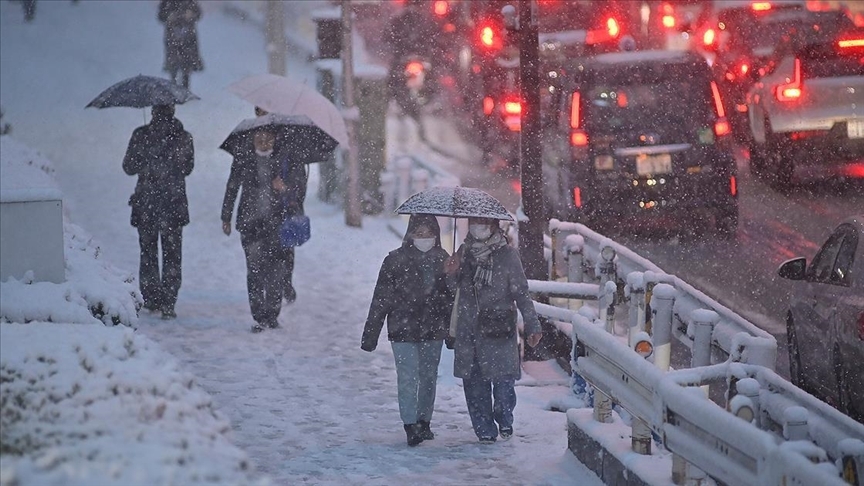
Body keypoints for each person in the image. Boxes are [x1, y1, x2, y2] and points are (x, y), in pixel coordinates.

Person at [444, 217, 543, 444]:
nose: (479, 228)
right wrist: (451, 273)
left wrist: (532, 325)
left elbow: (521, 293)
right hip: (469, 330)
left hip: (499, 329)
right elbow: (453, 292)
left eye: (484, 223)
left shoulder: (508, 255)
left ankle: (504, 417)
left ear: (494, 226)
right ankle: (485, 430)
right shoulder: (464, 252)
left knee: (503, 385)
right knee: (475, 386)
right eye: (475, 223)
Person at [361, 214, 453, 447]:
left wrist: (453, 274)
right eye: (419, 233)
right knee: (408, 377)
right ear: (410, 234)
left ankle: (424, 420)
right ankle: (410, 424)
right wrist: (370, 335)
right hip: (403, 328)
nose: (424, 238)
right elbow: (380, 299)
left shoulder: (444, 259)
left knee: (428, 377)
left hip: (433, 328)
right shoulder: (394, 260)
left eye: (429, 234)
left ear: (436, 235)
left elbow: (453, 299)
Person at [122, 104, 194, 320]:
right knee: (172, 254)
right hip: (173, 203)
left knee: (148, 253)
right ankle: (169, 301)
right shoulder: (184, 137)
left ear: (152, 112)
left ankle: (151, 297)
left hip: (147, 202)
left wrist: (145, 158)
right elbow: (187, 168)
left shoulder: (141, 135)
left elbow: (128, 167)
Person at [221, 128, 288, 333]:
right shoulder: (243, 158)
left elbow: (298, 188)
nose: (263, 142)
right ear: (252, 138)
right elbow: (232, 186)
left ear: (275, 139)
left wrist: (285, 187)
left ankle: (273, 313)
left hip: (276, 223)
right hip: (250, 223)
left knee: (276, 271)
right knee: (255, 269)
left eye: (268, 137)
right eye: (259, 137)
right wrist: (226, 216)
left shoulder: (283, 160)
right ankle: (259, 315)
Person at [253, 106, 307, 304]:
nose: (260, 115)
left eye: (262, 111)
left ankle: (284, 282)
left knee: (285, 248)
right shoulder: (255, 138)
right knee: (271, 250)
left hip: (285, 205)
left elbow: (299, 178)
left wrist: (287, 189)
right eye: (257, 111)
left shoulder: (288, 143)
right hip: (266, 208)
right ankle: (276, 284)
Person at [158, 0, 203, 89]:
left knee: (187, 64)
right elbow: (161, 16)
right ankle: (173, 88)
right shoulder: (167, 2)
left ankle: (185, 88)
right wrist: (169, 16)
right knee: (174, 64)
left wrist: (191, 14)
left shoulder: (190, 1)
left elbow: (198, 13)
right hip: (173, 37)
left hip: (188, 38)